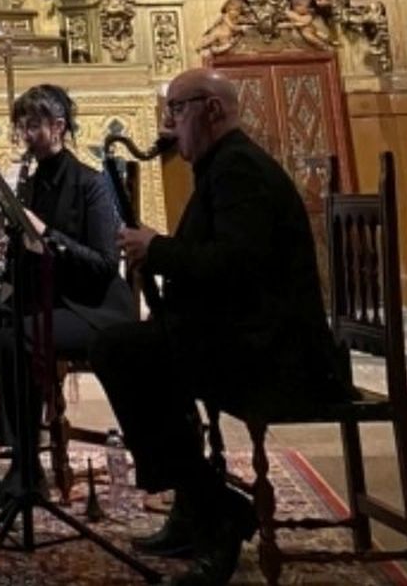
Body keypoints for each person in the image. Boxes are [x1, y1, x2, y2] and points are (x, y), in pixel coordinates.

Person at [90, 68, 348, 586]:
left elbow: (237, 264)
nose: (169, 126)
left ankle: (215, 510)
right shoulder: (223, 166)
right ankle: (195, 508)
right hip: (248, 337)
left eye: (176, 111)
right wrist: (159, 251)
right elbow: (220, 256)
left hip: (277, 354)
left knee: (121, 350)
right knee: (136, 348)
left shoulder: (238, 171)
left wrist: (156, 250)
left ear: (210, 109)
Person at [0, 84, 134, 500]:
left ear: (58, 127)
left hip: (90, 308)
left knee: (13, 337)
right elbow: (28, 256)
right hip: (40, 300)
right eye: (21, 126)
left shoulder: (91, 185)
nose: (25, 135)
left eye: (33, 125)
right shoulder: (29, 185)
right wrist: (7, 251)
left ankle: (25, 466)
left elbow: (105, 265)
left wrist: (45, 234)